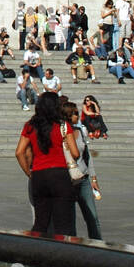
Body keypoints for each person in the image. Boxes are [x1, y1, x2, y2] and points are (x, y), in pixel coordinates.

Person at [15, 91, 79, 237]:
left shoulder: (30, 126)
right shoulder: (63, 126)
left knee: (41, 222)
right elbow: (75, 153)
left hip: (39, 175)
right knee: (63, 224)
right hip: (60, 175)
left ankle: (37, 254)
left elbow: (19, 152)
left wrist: (29, 172)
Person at [61, 99, 102, 241]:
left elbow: (88, 156)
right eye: (75, 114)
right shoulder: (61, 133)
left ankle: (97, 243)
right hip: (68, 180)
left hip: (83, 178)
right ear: (67, 116)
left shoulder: (80, 131)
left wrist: (93, 178)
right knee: (69, 218)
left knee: (92, 216)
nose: (78, 116)